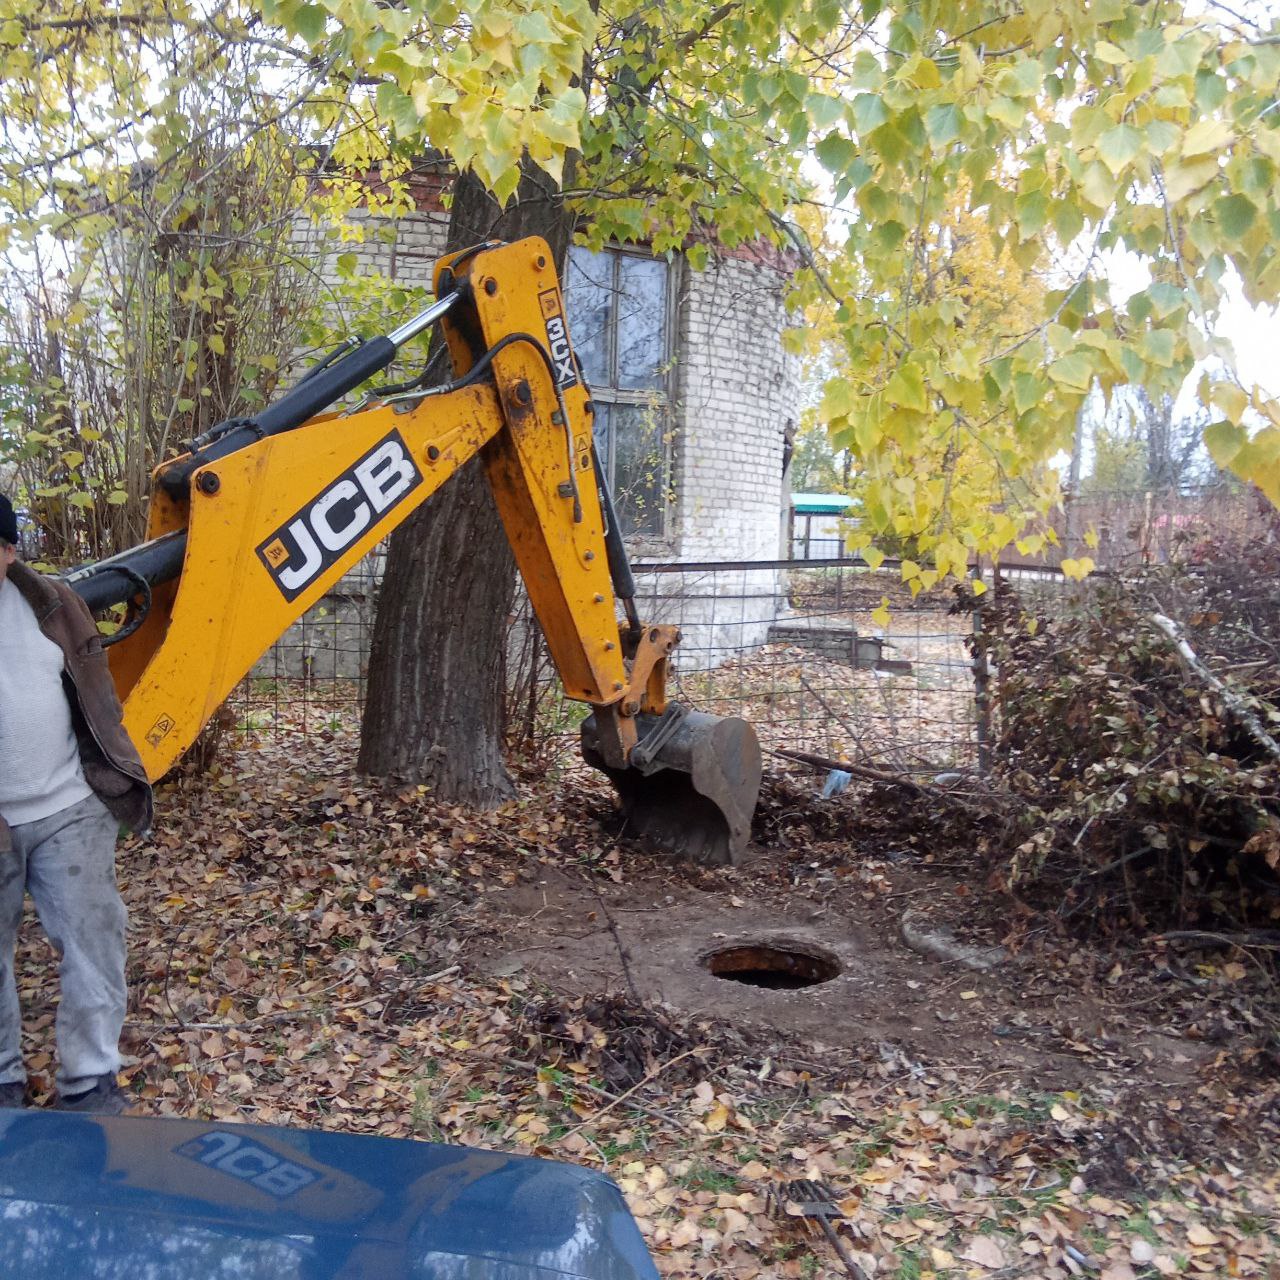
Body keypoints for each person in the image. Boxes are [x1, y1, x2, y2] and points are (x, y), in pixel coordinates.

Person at [0, 494, 152, 1113]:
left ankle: (90, 1080)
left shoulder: (53, 604)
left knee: (94, 939)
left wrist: (108, 777)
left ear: (9, 550)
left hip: (67, 803)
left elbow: (96, 694)